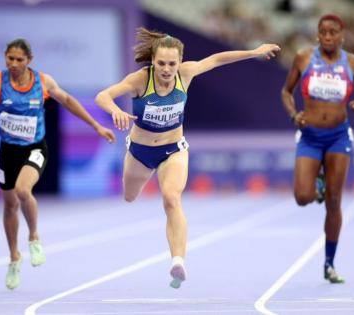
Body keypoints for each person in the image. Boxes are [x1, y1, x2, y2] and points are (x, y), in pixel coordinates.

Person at [95, 27, 280, 289]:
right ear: (153, 61)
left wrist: (253, 52)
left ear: (180, 62)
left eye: (172, 63)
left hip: (173, 148)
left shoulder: (186, 73)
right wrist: (116, 111)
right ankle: (173, 252)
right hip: (140, 151)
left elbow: (216, 59)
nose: (167, 69)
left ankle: (177, 261)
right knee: (129, 196)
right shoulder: (140, 79)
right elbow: (103, 96)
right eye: (161, 63)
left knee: (171, 198)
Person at [0, 38, 116, 290]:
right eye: (10, 59)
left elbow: (69, 101)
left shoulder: (43, 82)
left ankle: (34, 236)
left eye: (19, 59)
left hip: (35, 148)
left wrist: (96, 125)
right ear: (5, 57)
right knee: (9, 206)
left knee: (23, 191)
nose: (14, 64)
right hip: (8, 151)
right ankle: (14, 257)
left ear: (29, 60)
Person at [281, 14, 354, 283]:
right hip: (310, 136)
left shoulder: (351, 62)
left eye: (333, 32)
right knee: (302, 196)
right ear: (317, 34)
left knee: (334, 201)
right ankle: (317, 181)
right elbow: (286, 92)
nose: (328, 37)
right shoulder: (304, 57)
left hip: (338, 137)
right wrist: (294, 115)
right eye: (323, 32)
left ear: (342, 36)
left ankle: (329, 264)